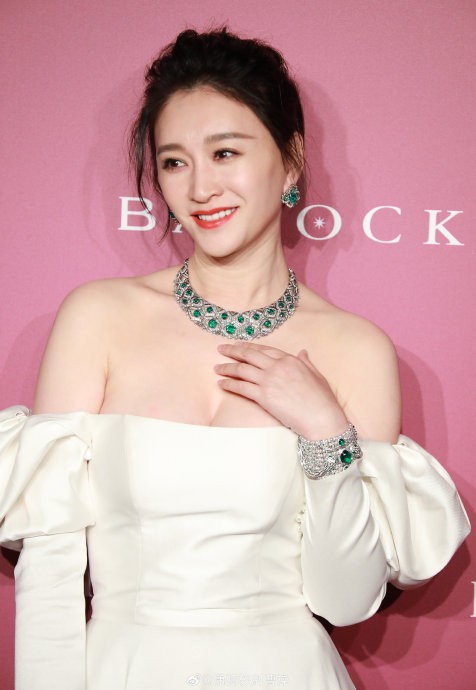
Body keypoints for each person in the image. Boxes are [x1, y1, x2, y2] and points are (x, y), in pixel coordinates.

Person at [0, 28, 470, 690]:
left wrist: (327, 434)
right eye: (174, 162)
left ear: (291, 160)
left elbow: (344, 598)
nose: (200, 188)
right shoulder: (99, 318)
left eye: (225, 152)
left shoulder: (356, 348)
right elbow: (49, 568)